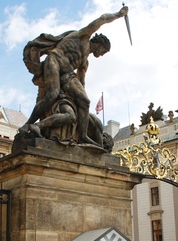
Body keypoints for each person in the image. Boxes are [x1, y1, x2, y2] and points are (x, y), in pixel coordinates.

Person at [20, 5, 128, 147]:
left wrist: (80, 105)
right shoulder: (83, 36)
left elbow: (81, 84)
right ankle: (28, 124)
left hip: (67, 74)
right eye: (103, 51)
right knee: (52, 94)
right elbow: (102, 19)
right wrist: (119, 14)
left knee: (85, 101)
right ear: (99, 44)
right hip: (55, 60)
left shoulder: (84, 63)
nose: (101, 55)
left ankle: (82, 136)